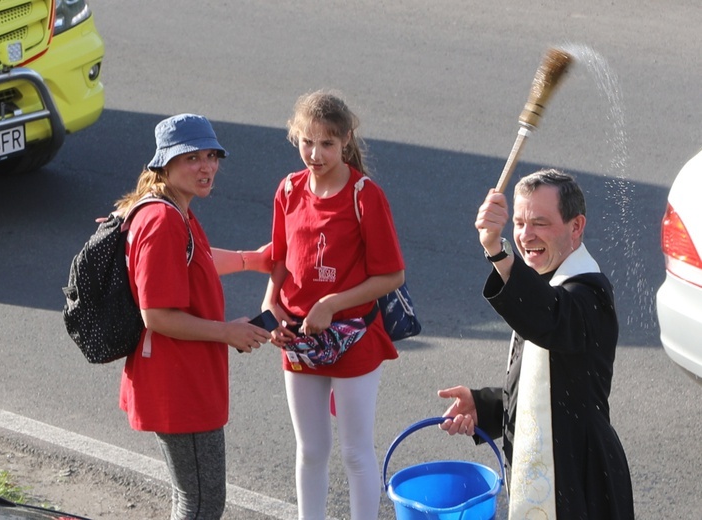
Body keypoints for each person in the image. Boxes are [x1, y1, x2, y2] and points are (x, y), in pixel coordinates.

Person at [438, 170, 635, 519]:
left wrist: (498, 252)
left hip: (582, 478)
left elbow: (549, 318)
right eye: (519, 222)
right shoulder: (544, 280)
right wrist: (484, 405)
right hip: (555, 468)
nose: (526, 236)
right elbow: (547, 390)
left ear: (576, 227)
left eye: (540, 223)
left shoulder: (589, 294)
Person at [116, 113, 273, 520]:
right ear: (165, 164)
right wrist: (228, 332)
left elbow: (195, 260)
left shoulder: (173, 209)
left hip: (181, 377)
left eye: (212, 155)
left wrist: (252, 260)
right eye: (191, 158)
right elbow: (156, 315)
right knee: (202, 504)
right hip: (178, 383)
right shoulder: (162, 220)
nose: (206, 167)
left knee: (189, 498)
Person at [262, 90, 405, 519]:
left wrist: (331, 303)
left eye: (326, 143)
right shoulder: (288, 189)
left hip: (353, 337)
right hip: (300, 339)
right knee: (310, 450)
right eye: (307, 141)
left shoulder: (365, 195)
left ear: (345, 140)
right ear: (296, 138)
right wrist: (272, 305)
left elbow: (392, 275)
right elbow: (281, 261)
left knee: (356, 453)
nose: (315, 153)